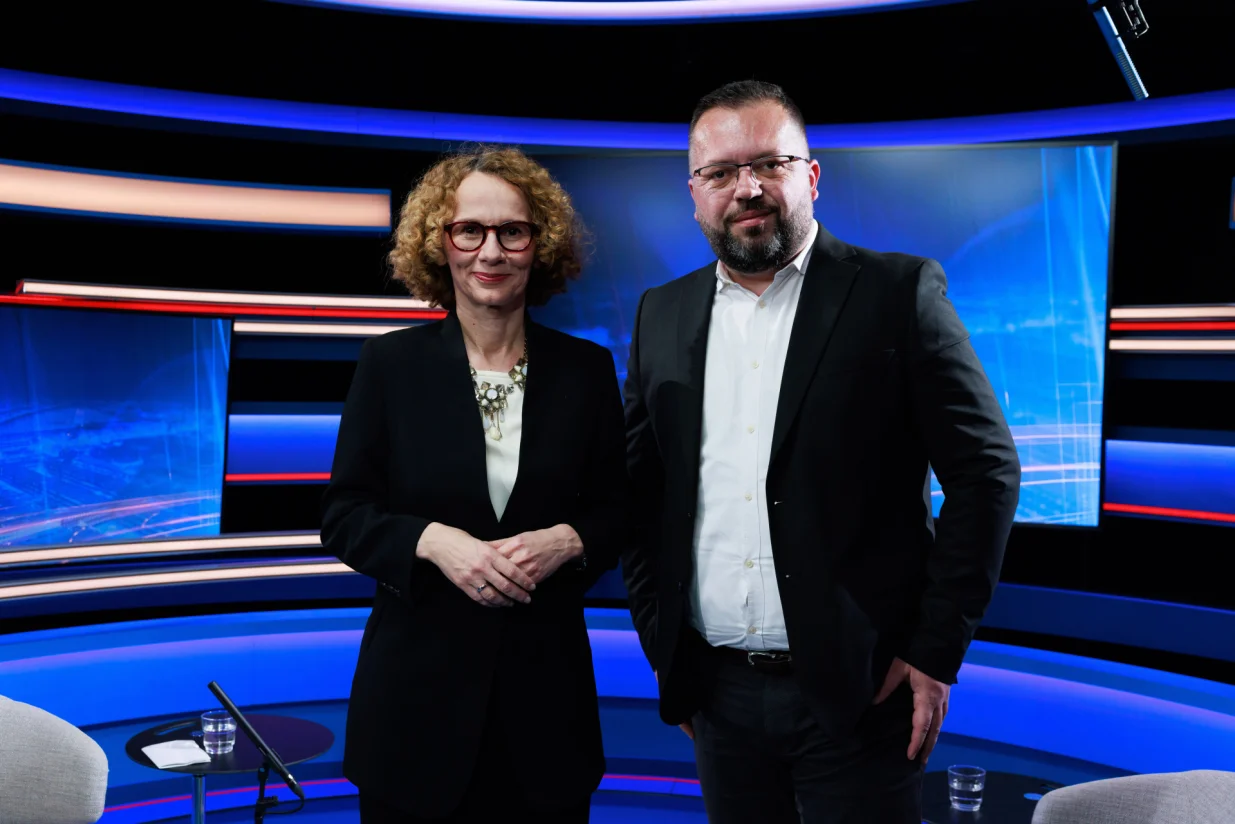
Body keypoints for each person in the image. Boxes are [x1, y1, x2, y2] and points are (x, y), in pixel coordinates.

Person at [621, 80, 1022, 823]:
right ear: (694, 194)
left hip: (862, 690)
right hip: (716, 693)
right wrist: (664, 647)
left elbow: (985, 473)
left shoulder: (898, 291)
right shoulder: (661, 313)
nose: (746, 189)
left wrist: (934, 649)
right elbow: (642, 494)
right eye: (720, 172)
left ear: (810, 175)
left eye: (768, 164)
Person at [322, 146, 627, 824]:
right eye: (469, 230)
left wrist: (568, 539)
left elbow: (620, 510)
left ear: (540, 245)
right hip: (413, 714)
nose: (490, 251)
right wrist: (431, 541)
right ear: (440, 243)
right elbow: (343, 514)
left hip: (546, 715)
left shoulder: (586, 370)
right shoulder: (389, 363)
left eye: (511, 231)